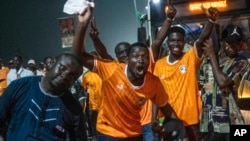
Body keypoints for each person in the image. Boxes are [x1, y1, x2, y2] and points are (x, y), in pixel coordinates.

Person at [72, 5, 186, 141]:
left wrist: (176, 129)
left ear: (149, 61)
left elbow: (167, 109)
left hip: (134, 133)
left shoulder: (153, 82)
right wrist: (82, 24)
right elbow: (78, 54)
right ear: (128, 59)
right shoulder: (112, 69)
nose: (140, 60)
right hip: (108, 132)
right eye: (136, 56)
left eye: (144, 56)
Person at [152, 5, 219, 141]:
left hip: (190, 121)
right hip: (169, 122)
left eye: (179, 40)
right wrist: (154, 120)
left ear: (184, 42)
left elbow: (201, 41)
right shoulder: (159, 65)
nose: (176, 43)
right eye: (172, 40)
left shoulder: (189, 58)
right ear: (168, 43)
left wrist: (211, 22)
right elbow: (156, 95)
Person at [0, 52, 87, 141]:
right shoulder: (20, 86)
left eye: (72, 76)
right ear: (53, 63)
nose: (65, 76)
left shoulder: (73, 109)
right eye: (62, 68)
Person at [199, 24, 249, 141]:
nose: (233, 46)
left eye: (237, 43)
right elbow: (202, 89)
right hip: (209, 124)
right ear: (222, 42)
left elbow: (223, 82)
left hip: (233, 122)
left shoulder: (241, 61)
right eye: (229, 42)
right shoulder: (206, 63)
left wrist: (211, 55)